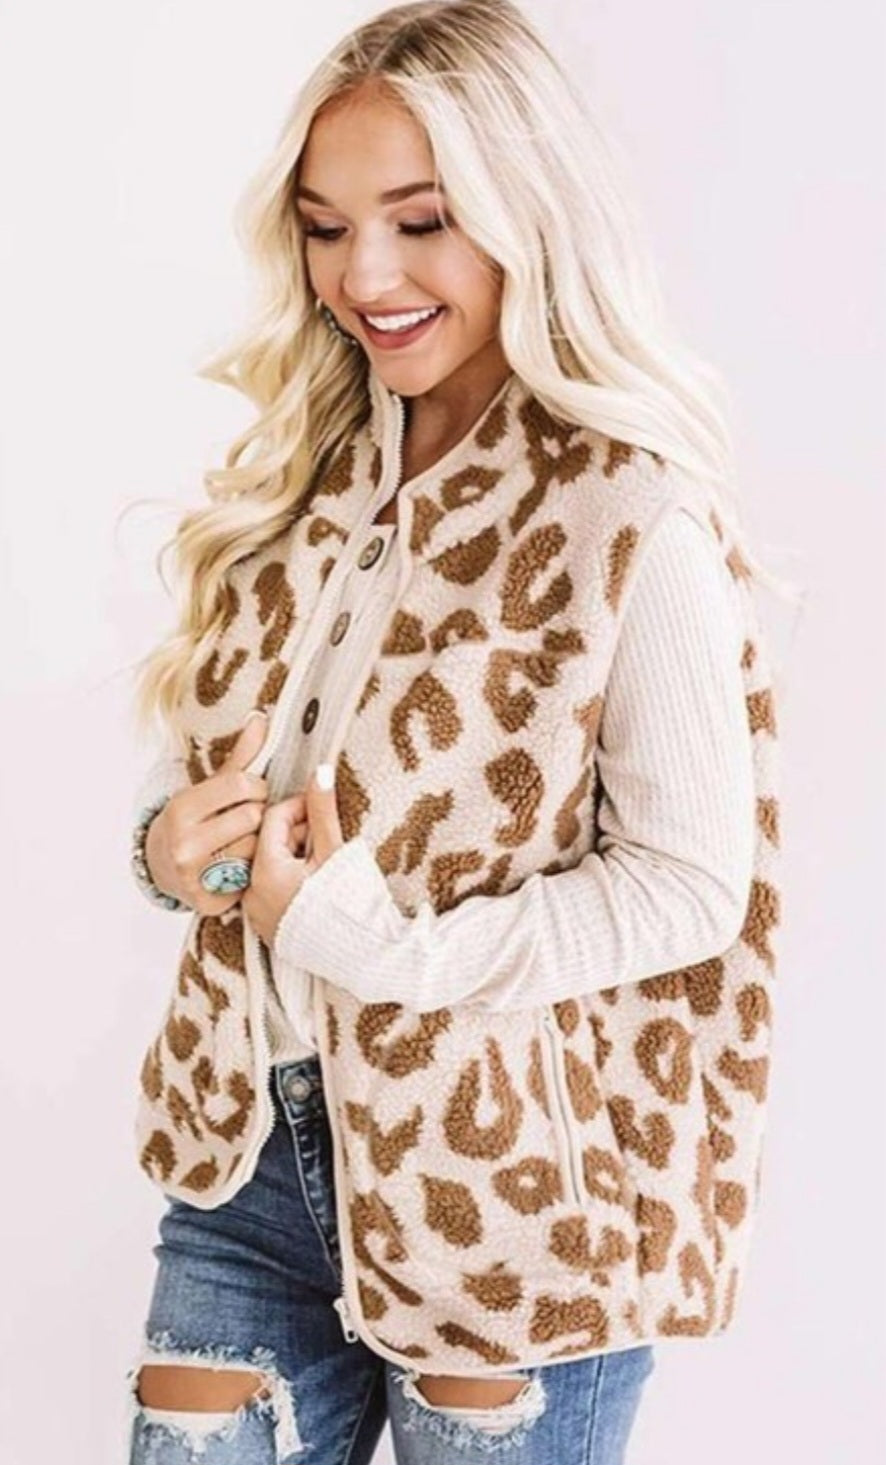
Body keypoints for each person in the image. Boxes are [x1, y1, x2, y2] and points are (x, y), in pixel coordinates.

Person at [124, 2, 787, 1461]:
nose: (364, 276)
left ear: (528, 210)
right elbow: (225, 792)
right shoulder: (302, 480)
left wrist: (381, 947)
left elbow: (690, 886)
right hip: (247, 1163)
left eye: (421, 221)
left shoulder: (629, 512)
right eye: (325, 227)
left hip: (510, 1204)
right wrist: (168, 852)